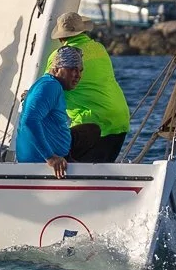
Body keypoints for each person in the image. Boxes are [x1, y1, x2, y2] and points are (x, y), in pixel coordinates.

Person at [44, 11, 130, 163]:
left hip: (91, 123)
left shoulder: (60, 56)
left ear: (61, 37)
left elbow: (48, 89)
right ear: (83, 31)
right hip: (120, 119)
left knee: (52, 157)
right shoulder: (99, 48)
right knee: (99, 169)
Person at [14, 46, 83, 179]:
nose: (78, 75)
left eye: (80, 70)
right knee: (91, 133)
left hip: (49, 156)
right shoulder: (50, 86)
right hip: (40, 162)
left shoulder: (49, 84)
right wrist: (50, 158)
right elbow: (29, 121)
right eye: (72, 69)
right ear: (56, 69)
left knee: (90, 130)